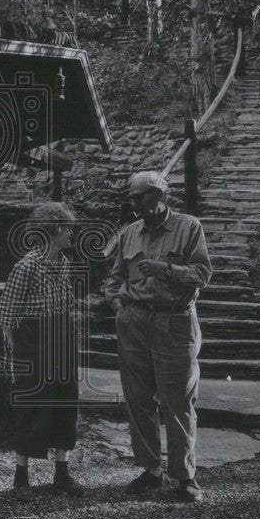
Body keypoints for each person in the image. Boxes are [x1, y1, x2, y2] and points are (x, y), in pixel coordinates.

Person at [103, 171, 212, 502]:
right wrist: (119, 305)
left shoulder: (189, 227)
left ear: (160, 195)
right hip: (133, 322)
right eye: (132, 197)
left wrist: (166, 270)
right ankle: (149, 469)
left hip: (174, 323)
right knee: (137, 399)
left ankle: (185, 477)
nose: (133, 202)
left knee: (178, 401)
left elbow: (202, 274)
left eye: (139, 196)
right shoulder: (129, 233)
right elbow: (113, 277)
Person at [0, 201, 83, 500]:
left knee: (64, 402)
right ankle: (21, 477)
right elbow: (7, 314)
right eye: (68, 229)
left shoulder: (64, 264)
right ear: (56, 229)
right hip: (34, 341)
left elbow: (68, 303)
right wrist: (18, 350)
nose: (72, 235)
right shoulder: (27, 265)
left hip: (62, 338)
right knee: (32, 405)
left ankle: (62, 472)